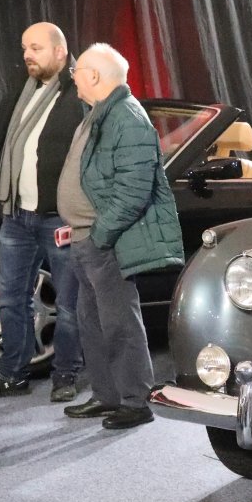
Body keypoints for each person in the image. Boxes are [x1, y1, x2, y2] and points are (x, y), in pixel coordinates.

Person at [58, 44, 183, 429]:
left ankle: (135, 401)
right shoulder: (99, 114)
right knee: (93, 323)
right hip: (85, 239)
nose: (73, 76)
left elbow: (133, 191)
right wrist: (77, 226)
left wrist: (100, 233)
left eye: (78, 71)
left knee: (119, 324)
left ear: (95, 75)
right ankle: (107, 395)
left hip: (106, 241)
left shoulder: (126, 118)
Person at [0, 22, 87, 401]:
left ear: (60, 51)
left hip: (59, 217)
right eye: (24, 48)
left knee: (68, 304)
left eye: (36, 48)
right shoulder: (22, 92)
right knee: (10, 299)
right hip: (17, 216)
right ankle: (12, 375)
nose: (27, 55)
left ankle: (66, 375)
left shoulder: (80, 93)